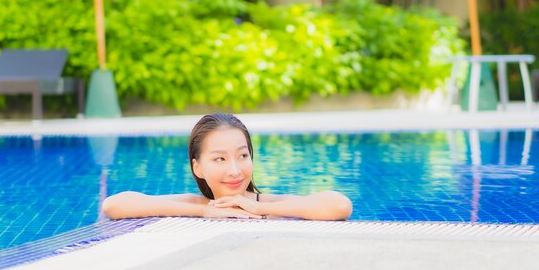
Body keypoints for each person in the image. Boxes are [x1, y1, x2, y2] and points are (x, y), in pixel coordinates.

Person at [102, 113, 353, 221]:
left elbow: (340, 205)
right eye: (220, 159)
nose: (235, 170)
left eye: (242, 156)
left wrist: (258, 207)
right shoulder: (197, 206)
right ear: (198, 168)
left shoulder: (266, 204)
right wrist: (204, 213)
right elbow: (114, 205)